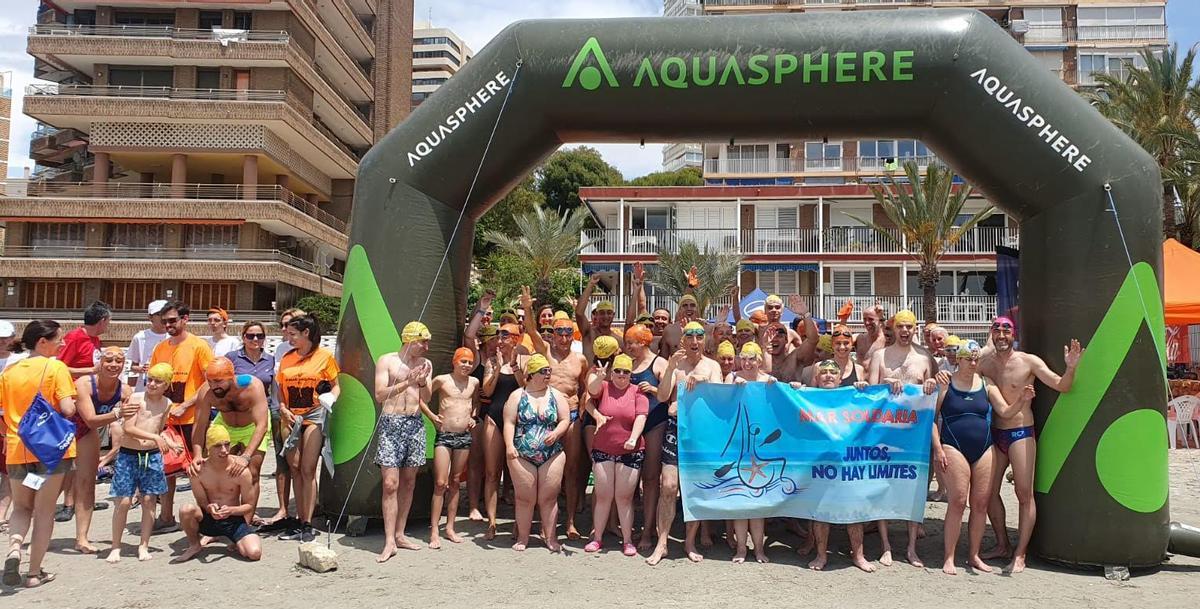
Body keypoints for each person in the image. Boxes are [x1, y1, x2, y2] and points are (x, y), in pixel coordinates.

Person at [977, 316, 1082, 573]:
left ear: (1014, 334)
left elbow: (1062, 386)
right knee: (988, 494)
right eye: (997, 330)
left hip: (1020, 433)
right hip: (995, 433)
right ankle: (1002, 544)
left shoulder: (1029, 361)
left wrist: (1070, 367)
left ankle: (1020, 553)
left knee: (1024, 494)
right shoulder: (984, 364)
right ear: (991, 334)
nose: (1001, 335)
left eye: (1006, 330)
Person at [934, 340, 1031, 576]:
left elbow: (1005, 411)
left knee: (980, 504)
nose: (973, 363)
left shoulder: (986, 383)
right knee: (958, 502)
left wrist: (1021, 400)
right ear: (959, 359)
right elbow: (931, 419)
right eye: (968, 359)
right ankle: (949, 557)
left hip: (984, 448)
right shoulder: (946, 383)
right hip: (953, 445)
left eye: (976, 359)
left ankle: (974, 555)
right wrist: (938, 449)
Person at [1, 320, 78, 588]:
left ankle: (14, 548)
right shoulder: (56, 367)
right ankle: (34, 573)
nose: (63, 344)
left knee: (21, 507)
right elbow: (68, 409)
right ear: (42, 342)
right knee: (44, 512)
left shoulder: (9, 372)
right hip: (51, 450)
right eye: (59, 339)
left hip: (17, 449)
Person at [646, 321, 723, 566]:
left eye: (699, 337)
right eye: (690, 337)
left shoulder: (712, 366)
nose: (695, 341)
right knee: (668, 486)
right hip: (676, 428)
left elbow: (721, 399)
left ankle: (689, 542)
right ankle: (662, 543)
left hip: (701, 433)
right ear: (683, 341)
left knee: (694, 488)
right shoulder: (676, 365)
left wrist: (703, 382)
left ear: (704, 340)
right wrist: (670, 368)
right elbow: (661, 396)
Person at [867, 309, 938, 568]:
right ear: (894, 328)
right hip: (885, 431)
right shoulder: (880, 356)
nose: (905, 331)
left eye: (909, 326)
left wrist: (931, 385)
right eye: (900, 326)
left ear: (914, 328)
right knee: (882, 486)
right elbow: (870, 394)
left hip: (914, 435)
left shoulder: (924, 357)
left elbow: (933, 392)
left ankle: (911, 548)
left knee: (914, 489)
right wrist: (885, 383)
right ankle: (885, 545)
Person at [520, 288, 590, 540]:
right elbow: (531, 331)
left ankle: (570, 522)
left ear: (573, 334)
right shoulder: (545, 352)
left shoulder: (580, 360)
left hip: (570, 417)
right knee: (542, 470)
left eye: (568, 332)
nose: (563, 337)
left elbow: (584, 387)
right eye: (559, 332)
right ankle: (543, 522)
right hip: (546, 418)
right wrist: (528, 308)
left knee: (571, 470)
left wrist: (583, 408)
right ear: (553, 334)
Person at [149, 300, 215, 533]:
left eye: (172, 321)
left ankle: (207, 518)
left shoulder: (199, 346)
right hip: (166, 421)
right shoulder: (160, 348)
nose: (168, 325)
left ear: (185, 319)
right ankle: (166, 517)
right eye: (164, 322)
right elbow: (155, 382)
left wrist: (186, 405)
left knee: (197, 469)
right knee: (166, 469)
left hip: (192, 420)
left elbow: (210, 381)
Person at [805, 359, 874, 573]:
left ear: (839, 378)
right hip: (820, 466)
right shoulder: (806, 397)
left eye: (832, 372)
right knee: (821, 513)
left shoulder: (853, 395)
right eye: (824, 372)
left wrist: (863, 390)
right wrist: (795, 388)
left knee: (854, 512)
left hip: (849, 465)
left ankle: (859, 556)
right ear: (817, 378)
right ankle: (821, 555)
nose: (828, 375)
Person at [106, 363, 180, 563]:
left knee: (149, 500)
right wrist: (155, 438)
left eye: (158, 381)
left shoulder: (167, 403)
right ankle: (116, 546)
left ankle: (143, 545)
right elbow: (129, 428)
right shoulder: (136, 398)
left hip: (151, 455)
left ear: (167, 385)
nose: (152, 384)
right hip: (129, 454)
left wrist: (169, 442)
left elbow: (159, 429)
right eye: (150, 379)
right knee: (123, 501)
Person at [187, 357, 271, 528]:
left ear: (231, 377)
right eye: (210, 381)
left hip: (252, 427)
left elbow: (261, 425)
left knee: (252, 472)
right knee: (216, 470)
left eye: (218, 381)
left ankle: (245, 523)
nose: (214, 386)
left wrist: (246, 456)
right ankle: (217, 520)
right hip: (225, 425)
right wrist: (196, 455)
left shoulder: (252, 386)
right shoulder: (206, 391)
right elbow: (199, 425)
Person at [373, 321, 433, 559]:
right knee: (390, 484)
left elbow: (427, 396)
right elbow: (379, 394)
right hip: (391, 422)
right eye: (423, 342)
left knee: (409, 482)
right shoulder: (387, 361)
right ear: (410, 340)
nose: (426, 347)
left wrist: (421, 382)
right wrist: (407, 382)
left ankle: (399, 533)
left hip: (414, 423)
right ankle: (388, 540)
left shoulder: (425, 363)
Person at [277, 314, 339, 542]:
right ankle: (299, 518)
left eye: (293, 334)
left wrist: (331, 398)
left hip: (314, 416)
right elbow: (280, 390)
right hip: (290, 417)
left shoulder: (325, 357)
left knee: (308, 469)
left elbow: (336, 386)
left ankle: (307, 523)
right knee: (294, 468)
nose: (289, 337)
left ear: (306, 333)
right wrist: (282, 408)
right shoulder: (287, 358)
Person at [503, 354, 569, 552]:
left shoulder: (556, 395)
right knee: (525, 498)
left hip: (552, 453)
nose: (548, 374)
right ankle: (523, 538)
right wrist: (509, 446)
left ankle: (551, 538)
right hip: (522, 454)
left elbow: (565, 419)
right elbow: (509, 422)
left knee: (549, 498)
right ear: (531, 374)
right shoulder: (517, 396)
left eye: (549, 370)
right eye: (543, 371)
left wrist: (556, 433)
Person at [71, 347, 134, 554]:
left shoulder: (125, 390)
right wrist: (118, 414)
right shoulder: (84, 383)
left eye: (119, 361)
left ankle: (82, 538)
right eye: (109, 360)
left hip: (87, 433)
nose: (114, 365)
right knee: (54, 483)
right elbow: (90, 419)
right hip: (64, 430)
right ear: (100, 362)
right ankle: (35, 537)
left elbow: (131, 420)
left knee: (86, 483)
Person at [584, 353, 648, 556]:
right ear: (612, 373)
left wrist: (634, 438)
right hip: (603, 448)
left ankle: (627, 540)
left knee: (624, 497)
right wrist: (599, 377)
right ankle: (597, 538)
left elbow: (641, 417)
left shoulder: (638, 391)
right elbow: (590, 393)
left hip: (630, 451)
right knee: (603, 496)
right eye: (617, 371)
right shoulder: (604, 386)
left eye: (625, 372)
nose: (621, 375)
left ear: (631, 374)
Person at [55, 301, 111, 523]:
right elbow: (60, 366)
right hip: (74, 401)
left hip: (91, 399)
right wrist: (91, 370)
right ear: (102, 321)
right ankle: (69, 503)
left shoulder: (95, 340)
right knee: (74, 455)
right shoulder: (75, 337)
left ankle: (85, 497)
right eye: (108, 321)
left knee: (90, 454)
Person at [173, 425, 263, 563]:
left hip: (233, 519)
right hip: (209, 518)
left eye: (227, 444)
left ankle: (237, 540)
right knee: (186, 509)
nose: (224, 450)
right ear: (208, 448)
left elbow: (249, 506)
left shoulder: (240, 470)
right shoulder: (198, 470)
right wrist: (209, 507)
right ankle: (194, 545)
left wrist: (231, 510)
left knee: (254, 553)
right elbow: (201, 501)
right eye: (218, 446)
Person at [726, 342, 776, 564]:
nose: (747, 363)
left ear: (759, 360)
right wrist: (732, 388)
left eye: (751, 358)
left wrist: (787, 387)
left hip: (761, 446)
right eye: (743, 358)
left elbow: (786, 401)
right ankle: (741, 549)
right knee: (740, 501)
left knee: (757, 502)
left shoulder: (768, 380)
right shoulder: (732, 377)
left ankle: (759, 549)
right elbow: (721, 403)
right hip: (738, 444)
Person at [229, 322, 282, 524]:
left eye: (259, 336)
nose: (255, 339)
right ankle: (229, 514)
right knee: (230, 470)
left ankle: (247, 518)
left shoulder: (270, 360)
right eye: (250, 336)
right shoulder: (232, 358)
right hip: (234, 418)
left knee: (253, 471)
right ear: (243, 337)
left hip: (259, 417)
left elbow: (275, 389)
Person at [427, 347, 479, 549]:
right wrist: (433, 417)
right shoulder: (442, 380)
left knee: (456, 481)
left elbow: (475, 403)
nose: (466, 365)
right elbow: (422, 397)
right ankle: (434, 530)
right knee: (440, 483)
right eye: (463, 361)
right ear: (454, 362)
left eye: (469, 362)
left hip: (463, 435)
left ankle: (450, 527)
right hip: (445, 434)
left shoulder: (474, 382)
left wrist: (473, 417)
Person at [480, 320, 524, 540]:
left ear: (515, 338)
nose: (500, 339)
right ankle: (492, 521)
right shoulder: (491, 361)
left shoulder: (524, 360)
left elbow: (527, 386)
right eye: (499, 335)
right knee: (491, 473)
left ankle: (519, 522)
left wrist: (513, 366)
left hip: (517, 421)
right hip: (494, 417)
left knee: (518, 475)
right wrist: (498, 368)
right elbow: (487, 391)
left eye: (505, 335)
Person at [463, 294, 499, 521]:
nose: (499, 343)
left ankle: (490, 503)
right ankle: (474, 505)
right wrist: (482, 309)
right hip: (478, 414)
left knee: (493, 464)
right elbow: (468, 335)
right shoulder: (477, 359)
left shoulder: (501, 360)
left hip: (495, 413)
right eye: (495, 339)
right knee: (476, 462)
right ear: (486, 341)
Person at [576, 274, 624, 361]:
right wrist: (590, 284)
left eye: (609, 313)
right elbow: (579, 313)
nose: (605, 316)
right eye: (602, 313)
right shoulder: (589, 334)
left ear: (613, 315)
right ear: (596, 315)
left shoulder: (619, 340)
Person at [126, 300, 169, 391]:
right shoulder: (139, 337)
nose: (163, 317)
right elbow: (133, 366)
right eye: (159, 314)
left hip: (167, 387)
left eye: (166, 313)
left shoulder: (174, 337)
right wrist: (142, 369)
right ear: (150, 317)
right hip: (145, 386)